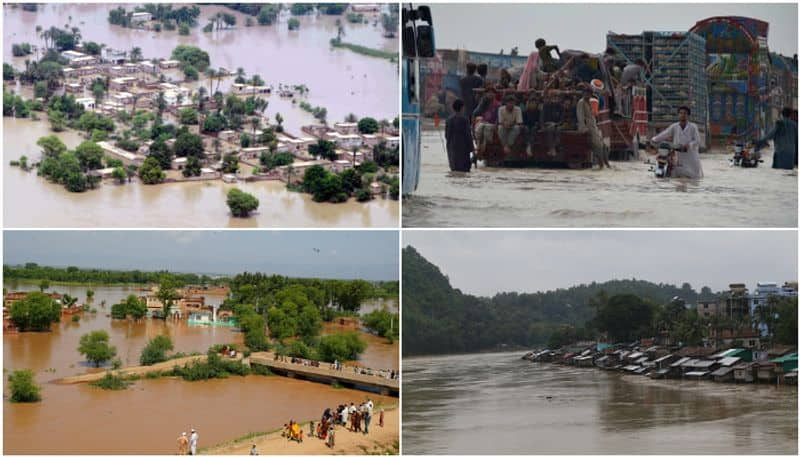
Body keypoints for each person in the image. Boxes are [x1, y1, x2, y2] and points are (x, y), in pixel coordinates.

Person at [650, 106, 704, 178]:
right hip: (678, 155)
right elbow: (665, 134)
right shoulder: (674, 126)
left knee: (692, 178)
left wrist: (689, 145)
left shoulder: (693, 127)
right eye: (681, 113)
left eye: (685, 113)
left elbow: (697, 140)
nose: (682, 115)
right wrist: (654, 139)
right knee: (676, 176)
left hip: (691, 157)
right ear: (678, 115)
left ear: (688, 116)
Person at [576, 88, 609, 169]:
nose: (587, 95)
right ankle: (601, 165)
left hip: (593, 127)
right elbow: (580, 117)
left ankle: (606, 164)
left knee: (604, 146)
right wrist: (584, 129)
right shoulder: (581, 102)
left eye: (589, 93)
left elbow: (594, 115)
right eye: (586, 93)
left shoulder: (591, 102)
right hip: (587, 128)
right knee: (598, 146)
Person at [445, 99, 474, 172]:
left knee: (454, 170)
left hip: (452, 149)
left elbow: (446, 135)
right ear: (462, 108)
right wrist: (472, 149)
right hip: (463, 150)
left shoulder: (449, 120)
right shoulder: (464, 120)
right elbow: (468, 135)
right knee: (464, 171)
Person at [473, 88, 501, 154]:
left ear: (495, 94)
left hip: (492, 123)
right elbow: (476, 112)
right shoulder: (483, 102)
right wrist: (482, 103)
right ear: (485, 94)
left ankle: (485, 144)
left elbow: (498, 116)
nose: (490, 94)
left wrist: (496, 123)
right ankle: (478, 143)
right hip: (484, 121)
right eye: (488, 93)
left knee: (487, 127)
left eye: (492, 93)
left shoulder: (498, 104)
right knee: (480, 126)